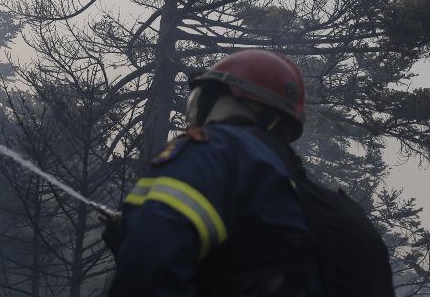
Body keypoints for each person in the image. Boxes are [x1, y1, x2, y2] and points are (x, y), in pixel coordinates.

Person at [105, 49, 396, 297]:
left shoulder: (212, 150)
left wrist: (138, 238)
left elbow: (150, 261)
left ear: (223, 99)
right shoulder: (295, 192)